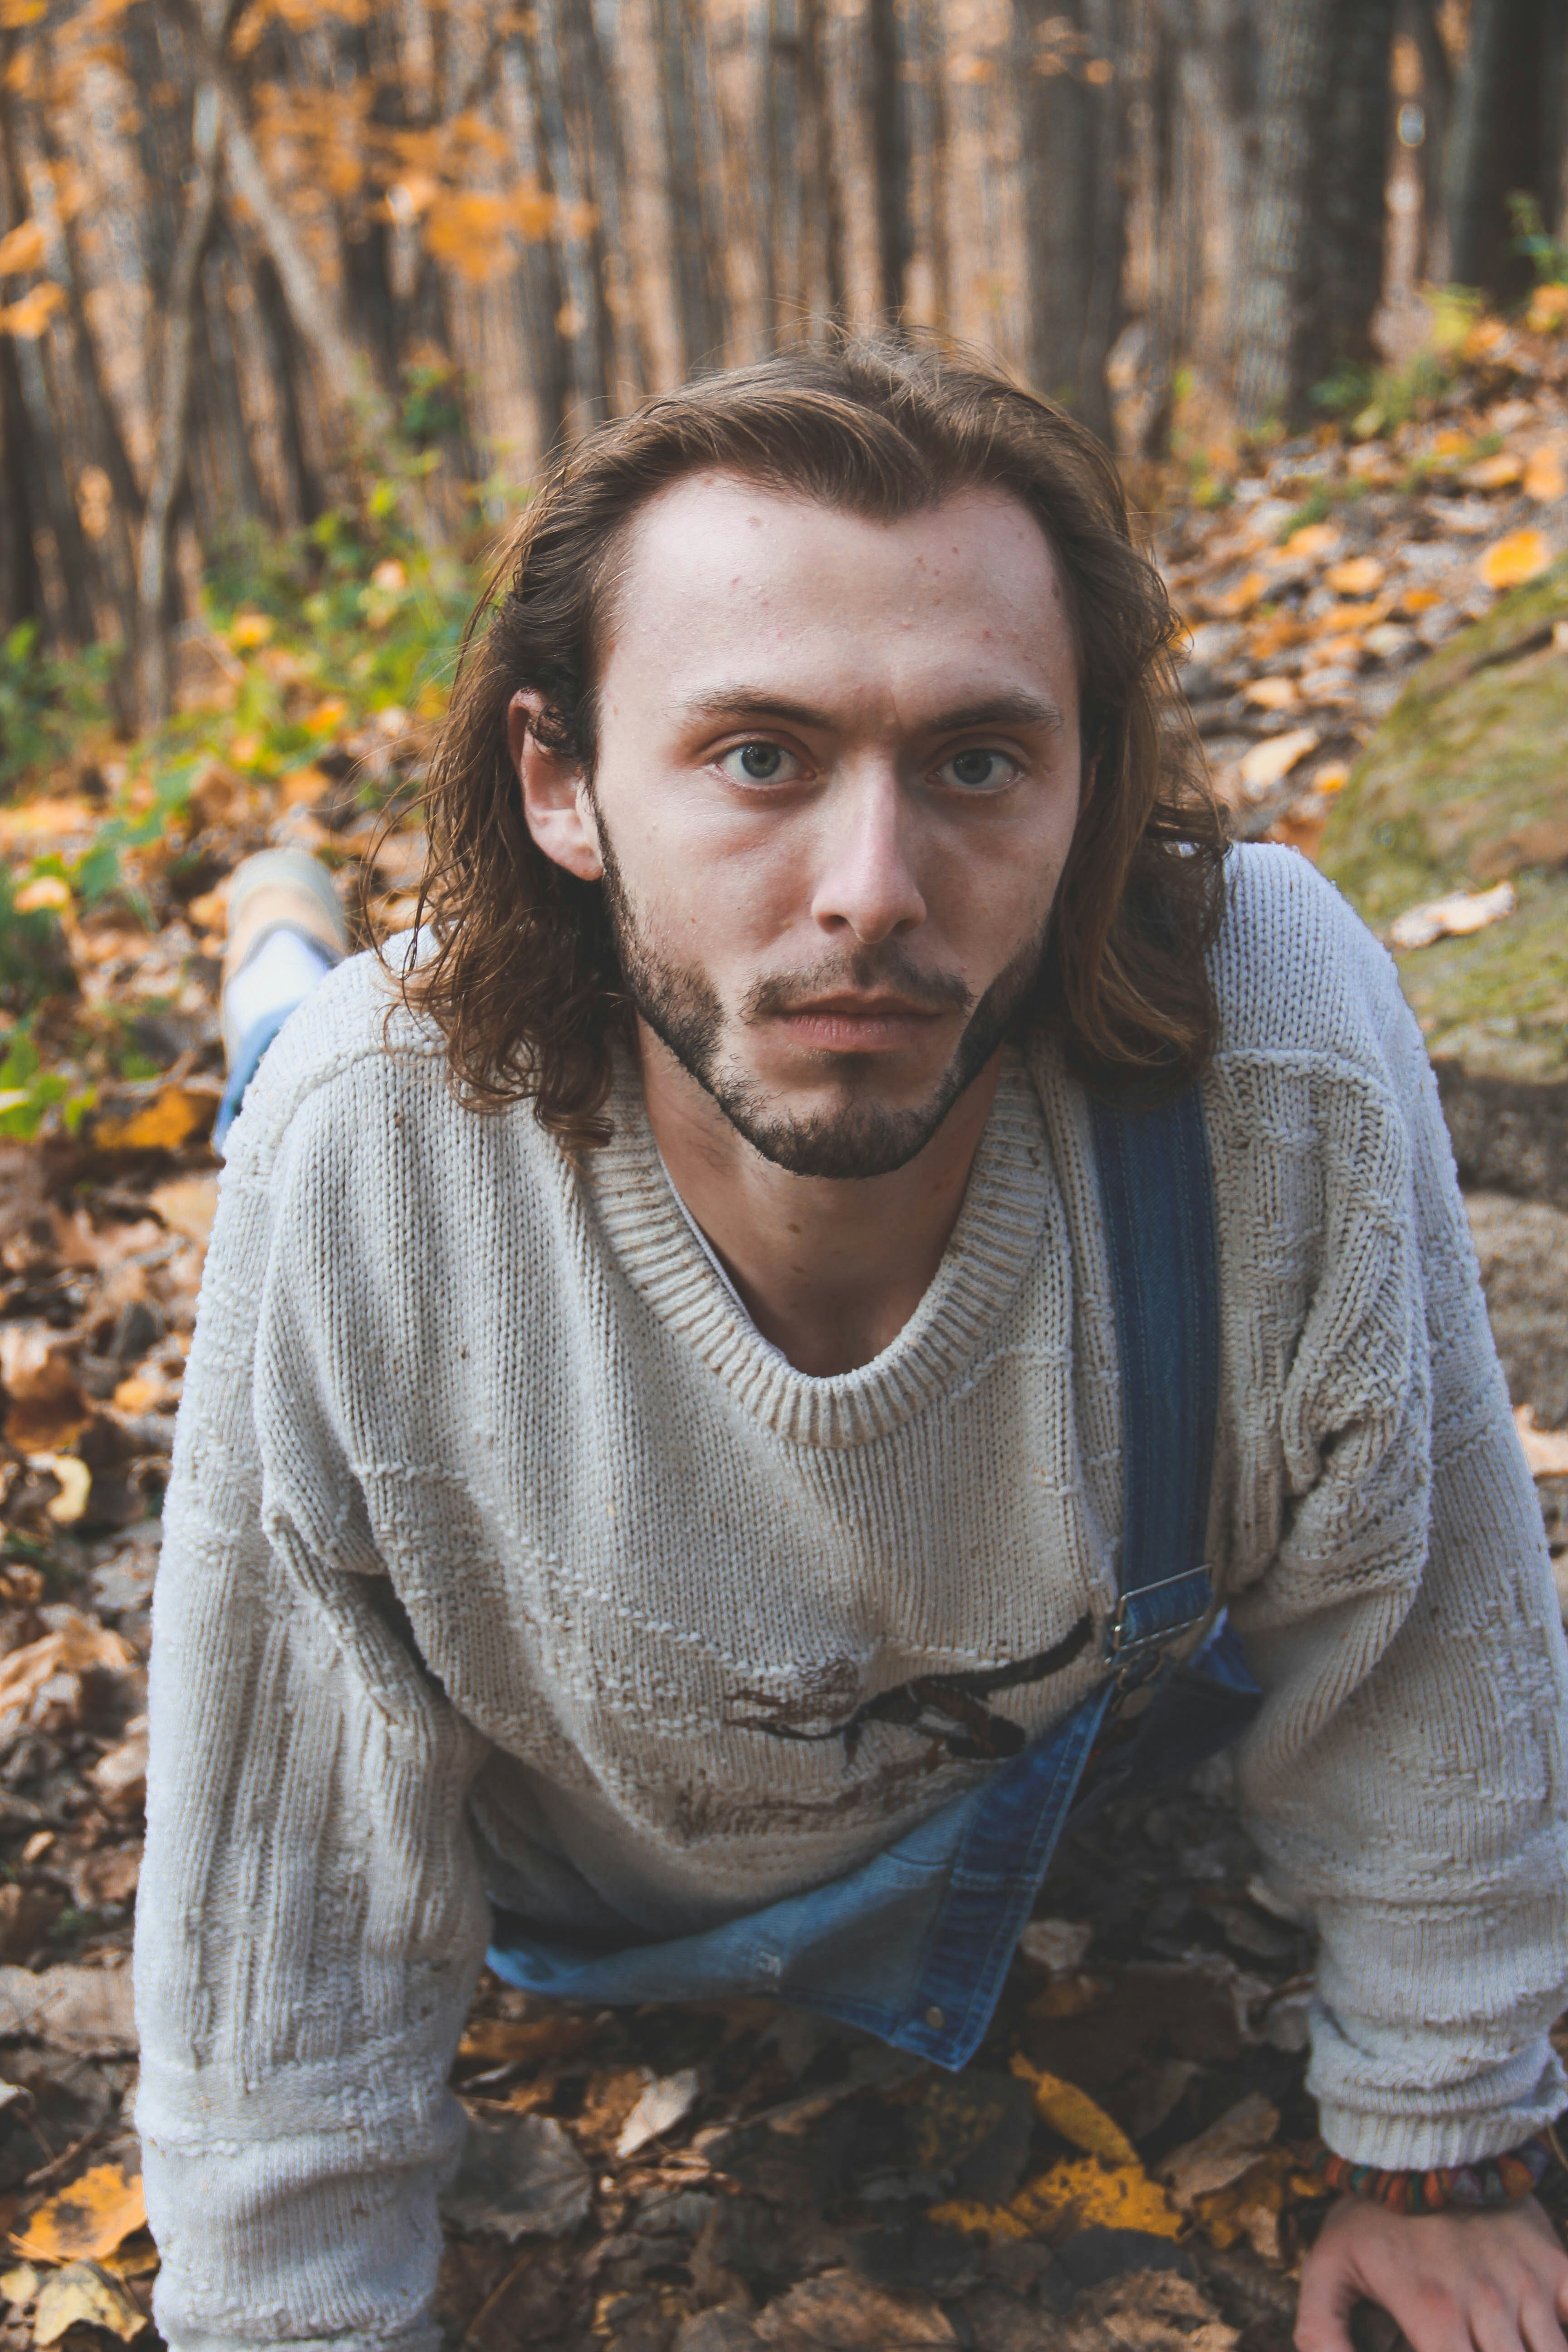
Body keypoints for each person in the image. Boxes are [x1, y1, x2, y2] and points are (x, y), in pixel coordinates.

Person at [136, 336, 1568, 2352]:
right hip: (584, 1876)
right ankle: (269, 924)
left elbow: (1426, 1617)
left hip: (1036, 1806)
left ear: (1095, 785)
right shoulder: (372, 1164)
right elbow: (281, 1849)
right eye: (761, 759)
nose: (874, 895)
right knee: (303, 1057)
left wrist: (1440, 2146)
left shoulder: (1274, 1044)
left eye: (979, 761)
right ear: (563, 781)